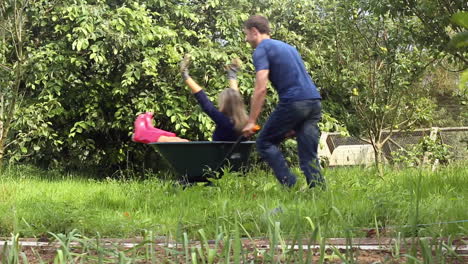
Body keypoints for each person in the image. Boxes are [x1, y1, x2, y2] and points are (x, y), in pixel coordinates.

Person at [241, 15, 324, 188]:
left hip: (295, 101)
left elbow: (261, 88)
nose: (246, 39)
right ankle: (319, 192)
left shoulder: (261, 50)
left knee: (264, 142)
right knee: (308, 153)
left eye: (247, 34)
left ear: (255, 31)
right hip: (314, 102)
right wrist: (295, 124)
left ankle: (290, 185)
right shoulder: (288, 47)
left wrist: (251, 121)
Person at [180, 55, 248, 141]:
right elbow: (235, 99)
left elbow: (204, 101)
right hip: (240, 154)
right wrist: (232, 75)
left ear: (225, 104)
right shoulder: (246, 123)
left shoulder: (223, 120)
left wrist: (185, 75)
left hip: (221, 154)